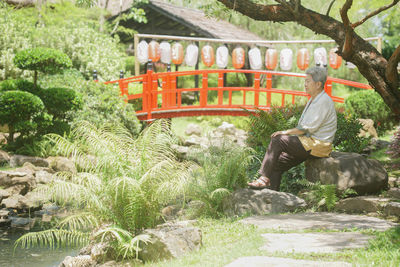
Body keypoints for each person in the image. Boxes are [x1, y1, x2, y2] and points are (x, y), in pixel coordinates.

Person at [248, 66, 337, 191]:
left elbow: (307, 128)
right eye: (305, 81)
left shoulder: (323, 101)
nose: (305, 84)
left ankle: (263, 179)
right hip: (308, 143)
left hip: (318, 145)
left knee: (278, 139)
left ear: (318, 84)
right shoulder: (315, 99)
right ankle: (272, 197)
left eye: (308, 81)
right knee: (276, 164)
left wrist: (285, 132)